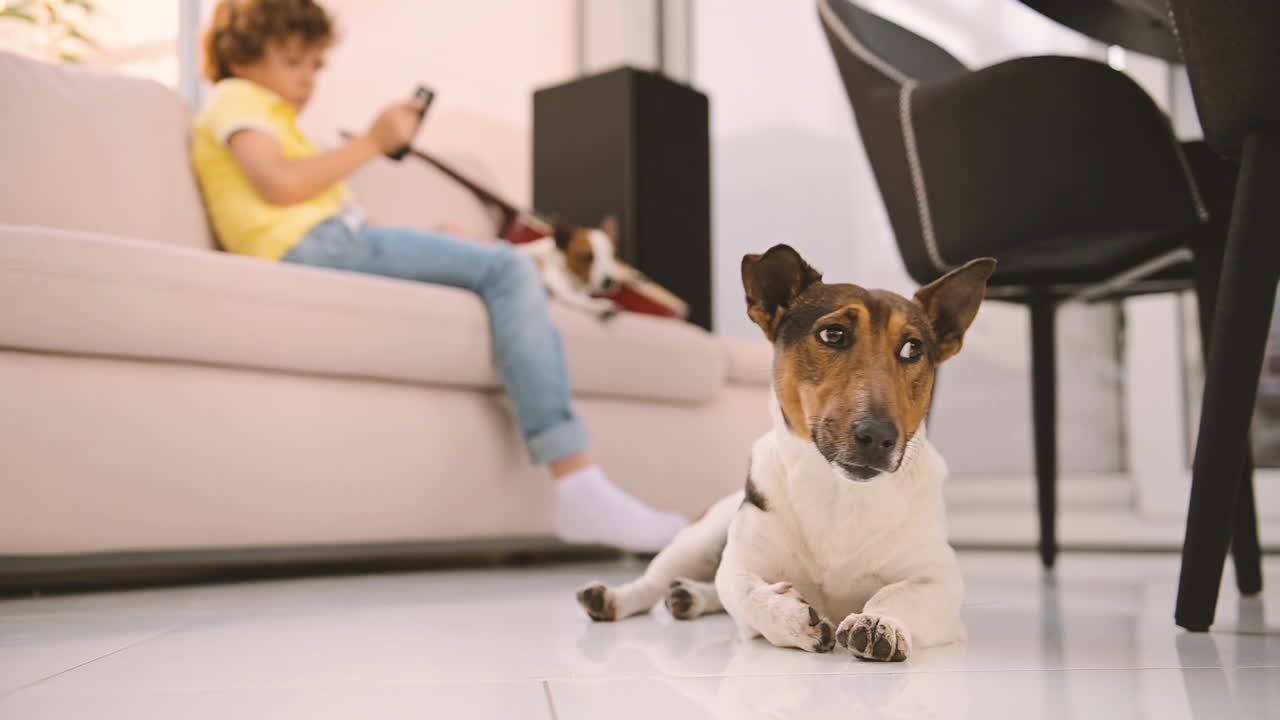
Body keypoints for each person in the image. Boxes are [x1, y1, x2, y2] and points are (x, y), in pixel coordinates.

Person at [191, 0, 686, 552]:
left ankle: (581, 487)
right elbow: (279, 186)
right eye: (293, 62)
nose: (307, 80)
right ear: (240, 55)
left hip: (329, 241)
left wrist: (434, 240)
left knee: (492, 261)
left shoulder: (275, 117)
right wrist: (373, 143)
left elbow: (338, 216)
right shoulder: (236, 99)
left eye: (315, 65)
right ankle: (579, 485)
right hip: (312, 247)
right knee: (507, 268)